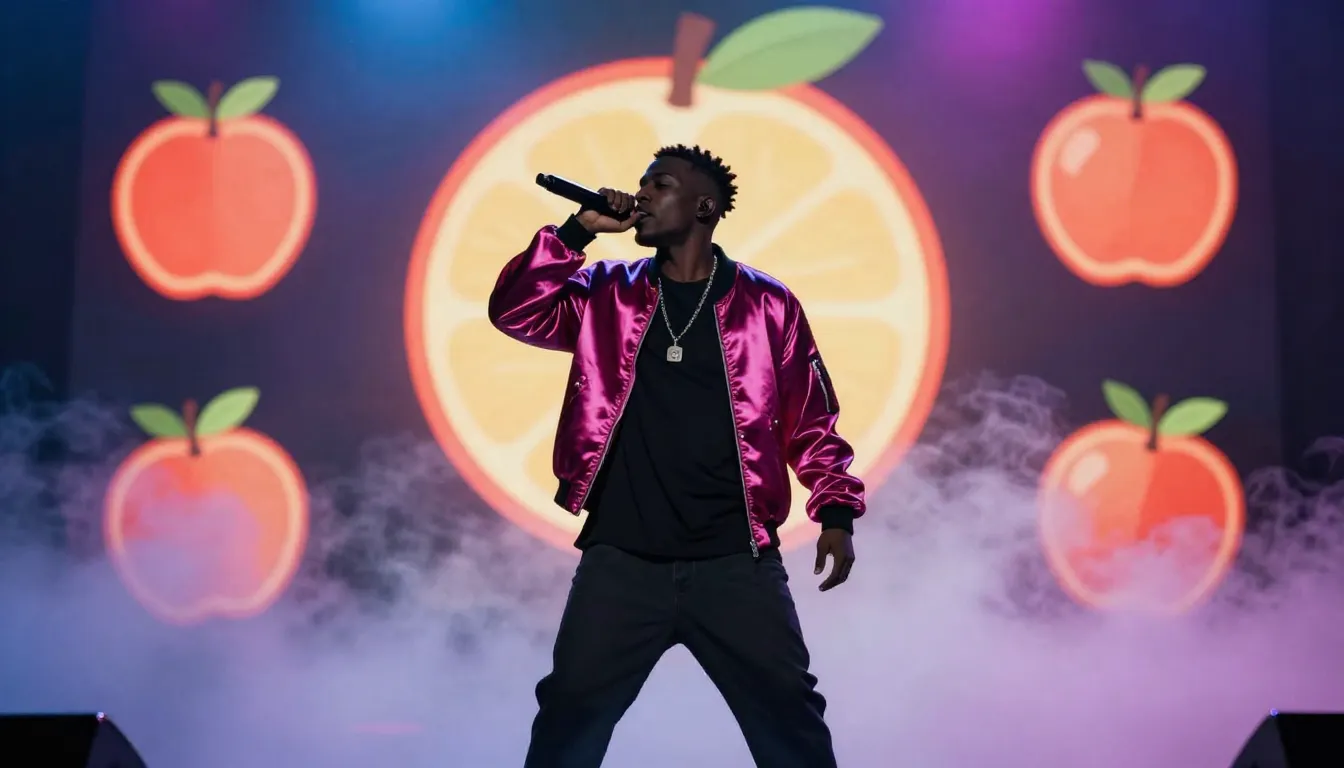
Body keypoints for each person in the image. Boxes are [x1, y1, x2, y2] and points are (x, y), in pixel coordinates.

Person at [488, 144, 865, 767]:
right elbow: (514, 311)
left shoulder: (768, 305)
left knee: (790, 722)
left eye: (659, 185)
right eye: (641, 184)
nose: (640, 196)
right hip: (622, 560)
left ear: (703, 207)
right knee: (568, 717)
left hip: (736, 562)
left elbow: (812, 418)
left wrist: (837, 513)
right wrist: (577, 232)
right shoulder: (605, 292)